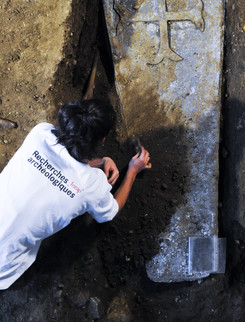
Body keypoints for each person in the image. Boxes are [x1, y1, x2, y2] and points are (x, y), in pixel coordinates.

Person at [0, 99, 151, 289]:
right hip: (5, 268)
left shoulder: (40, 134)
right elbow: (110, 211)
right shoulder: (91, 185)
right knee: (22, 273)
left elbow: (67, 157)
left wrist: (100, 161)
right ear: (102, 140)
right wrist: (132, 171)